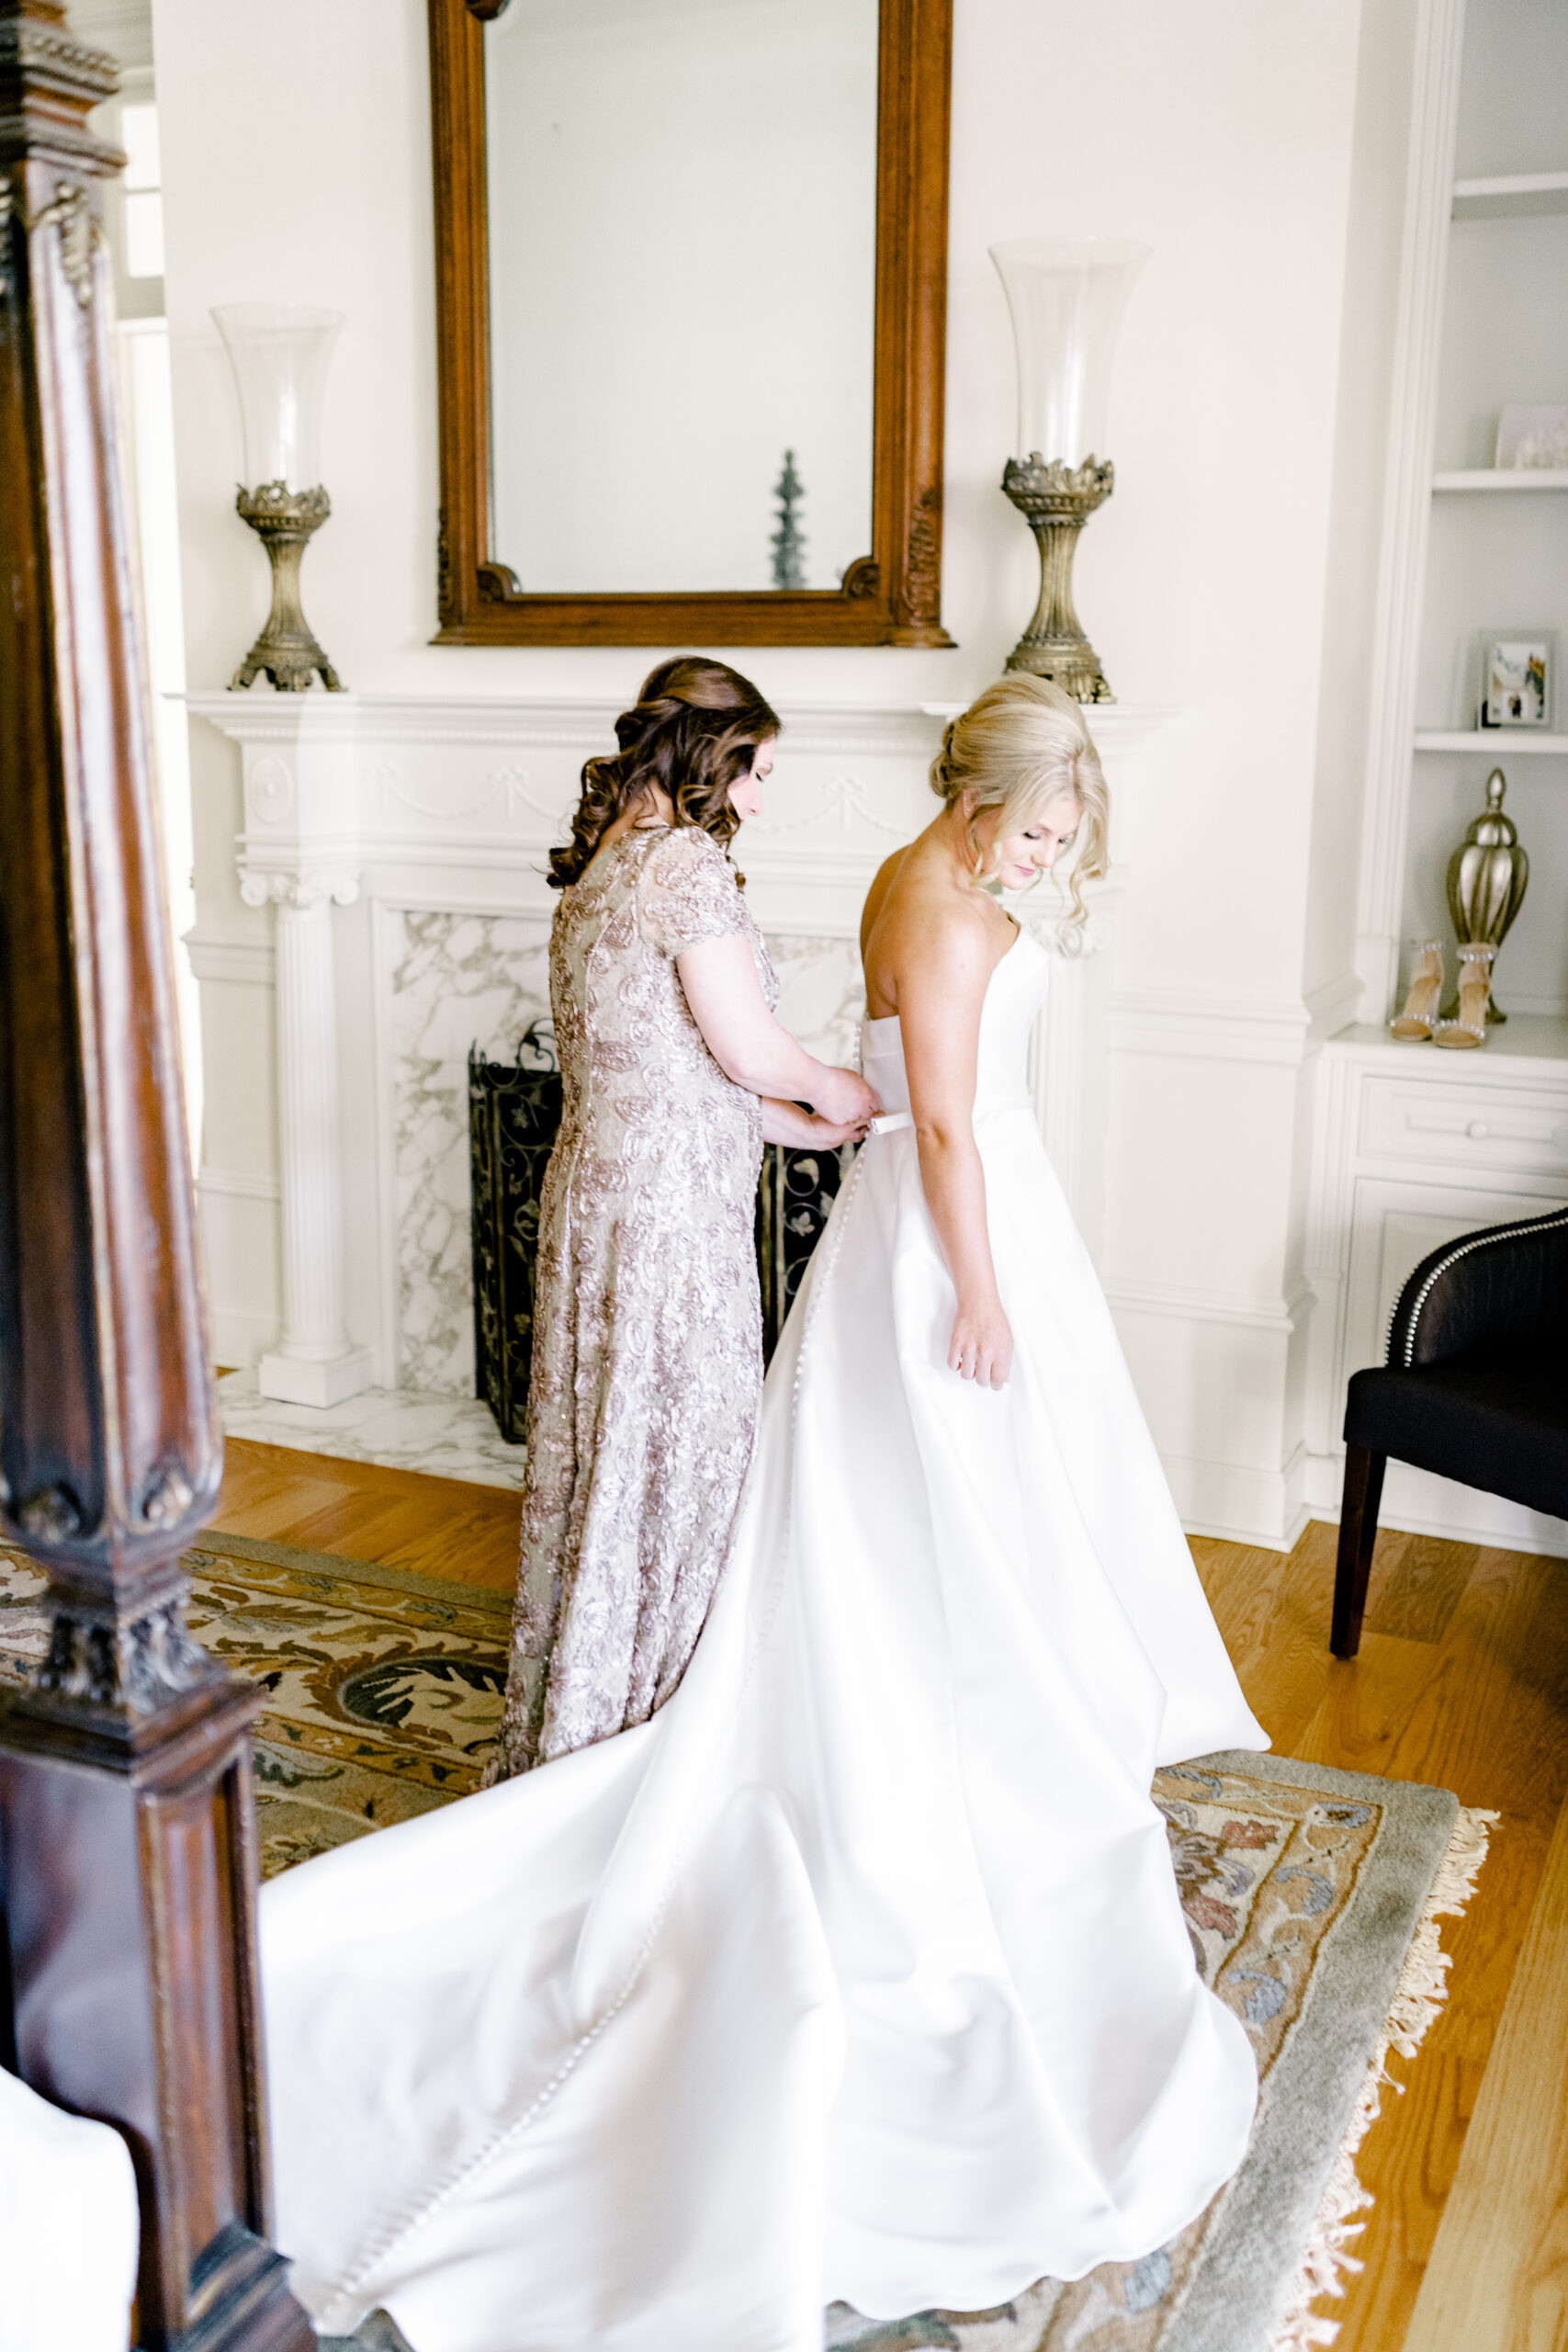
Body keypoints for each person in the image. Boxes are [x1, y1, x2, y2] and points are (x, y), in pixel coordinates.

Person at [259, 673, 1269, 2352]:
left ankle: (858, 1695)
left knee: (838, 1505)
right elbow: (921, 1107)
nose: (1038, 861)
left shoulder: (775, 871)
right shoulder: (858, 900)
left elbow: (812, 1076)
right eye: (1032, 832)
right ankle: (956, 1745)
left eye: (1057, 842)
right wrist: (970, 1264)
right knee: (916, 1504)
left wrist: (831, 1116)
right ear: (977, 807)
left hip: (781, 1201)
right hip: (904, 1221)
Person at [489, 657, 876, 1777]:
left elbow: (674, 1071)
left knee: (606, 1451)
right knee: (679, 1453)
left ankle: (583, 1705)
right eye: (759, 770)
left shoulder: (602, 866)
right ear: (715, 756)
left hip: (599, 1195)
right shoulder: (686, 864)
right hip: (667, 1219)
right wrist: (835, 1085)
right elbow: (747, 1048)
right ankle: (657, 1726)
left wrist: (801, 1128)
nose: (761, 798)